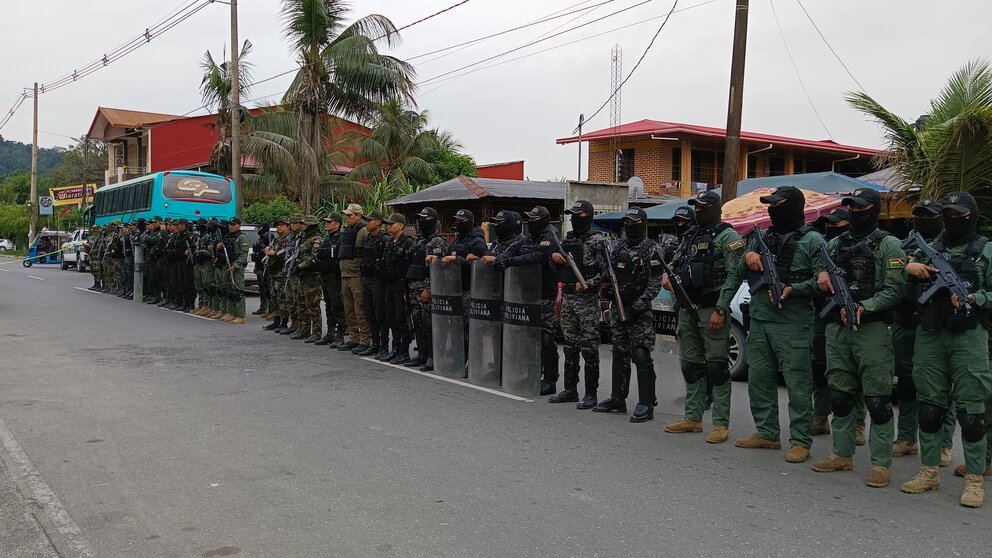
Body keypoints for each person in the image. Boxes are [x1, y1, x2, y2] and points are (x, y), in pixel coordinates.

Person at [900, 192, 992, 507]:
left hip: (968, 337)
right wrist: (909, 270)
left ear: (972, 215)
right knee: (929, 408)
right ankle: (928, 472)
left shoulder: (986, 250)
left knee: (970, 414)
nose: (953, 219)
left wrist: (975, 299)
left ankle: (975, 480)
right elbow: (901, 283)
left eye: (960, 214)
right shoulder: (930, 249)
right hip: (930, 334)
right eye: (948, 214)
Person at [811, 187, 906, 489]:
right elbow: (821, 271)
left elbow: (895, 290)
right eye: (851, 206)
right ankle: (841, 454)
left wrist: (867, 306)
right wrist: (822, 276)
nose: (854, 212)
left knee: (877, 400)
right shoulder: (836, 243)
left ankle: (880, 464)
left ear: (873, 210)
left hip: (871, 330)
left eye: (861, 207)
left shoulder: (889, 245)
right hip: (838, 329)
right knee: (840, 395)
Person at [734, 186, 824, 463]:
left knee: (798, 383)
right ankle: (767, 432)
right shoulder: (763, 237)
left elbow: (824, 282)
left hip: (793, 322)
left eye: (778, 204)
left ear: (794, 206)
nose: (772, 209)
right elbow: (738, 271)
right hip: (760, 319)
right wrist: (748, 257)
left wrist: (795, 289)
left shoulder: (813, 240)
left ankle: (800, 440)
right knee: (760, 379)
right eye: (770, 205)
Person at [663, 191, 745, 442]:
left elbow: (735, 276)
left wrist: (721, 308)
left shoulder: (728, 237)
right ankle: (693, 418)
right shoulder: (690, 236)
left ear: (714, 208)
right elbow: (675, 264)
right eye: (695, 207)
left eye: (702, 207)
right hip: (688, 308)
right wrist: (667, 277)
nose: (697, 211)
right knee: (691, 365)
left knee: (716, 367)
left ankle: (720, 424)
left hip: (712, 309)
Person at [891, 200, 957, 466]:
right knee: (906, 383)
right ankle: (907, 438)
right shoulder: (902, 245)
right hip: (905, 321)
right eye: (919, 214)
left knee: (941, 387)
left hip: (936, 324)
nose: (923, 219)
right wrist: (906, 269)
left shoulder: (950, 245)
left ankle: (943, 444)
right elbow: (893, 281)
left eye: (929, 215)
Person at [592, 207, 663, 422]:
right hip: (617, 308)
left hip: (638, 312)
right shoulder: (618, 247)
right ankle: (617, 398)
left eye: (633, 222)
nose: (629, 226)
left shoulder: (652, 249)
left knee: (640, 354)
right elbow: (609, 274)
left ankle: (646, 403)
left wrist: (637, 306)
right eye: (626, 222)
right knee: (619, 353)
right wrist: (604, 288)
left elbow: (654, 283)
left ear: (642, 223)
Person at [493, 206, 558, 394]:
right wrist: (503, 259)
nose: (531, 222)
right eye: (529, 218)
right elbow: (509, 252)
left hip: (544, 295)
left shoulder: (550, 236)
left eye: (534, 218)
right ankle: (531, 373)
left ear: (544, 220)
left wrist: (511, 262)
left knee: (545, 337)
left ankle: (550, 380)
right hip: (525, 295)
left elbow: (539, 256)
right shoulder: (527, 238)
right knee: (529, 338)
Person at [548, 200, 606, 409]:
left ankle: (591, 394)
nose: (573, 219)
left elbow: (607, 271)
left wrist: (588, 285)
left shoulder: (598, 240)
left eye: (578, 215)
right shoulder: (568, 240)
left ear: (588, 216)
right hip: (569, 299)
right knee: (570, 347)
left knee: (589, 348)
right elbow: (556, 267)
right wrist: (554, 257)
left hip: (587, 300)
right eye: (571, 215)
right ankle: (570, 389)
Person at [406, 208, 448, 371]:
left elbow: (438, 269)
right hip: (414, 286)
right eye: (420, 218)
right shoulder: (419, 239)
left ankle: (432, 356)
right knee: (418, 323)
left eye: (425, 218)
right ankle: (422, 354)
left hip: (426, 288)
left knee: (429, 323)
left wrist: (429, 289)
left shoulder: (437, 241)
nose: (421, 221)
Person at [380, 213, 416, 363]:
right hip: (389, 284)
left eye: (391, 224)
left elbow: (410, 265)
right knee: (391, 318)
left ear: (401, 225)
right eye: (387, 224)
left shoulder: (408, 243)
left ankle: (404, 351)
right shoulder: (389, 242)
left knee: (402, 318)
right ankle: (394, 349)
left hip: (401, 285)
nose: (388, 227)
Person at [339, 204, 371, 353]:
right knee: (349, 309)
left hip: (357, 275)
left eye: (350, 215)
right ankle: (354, 338)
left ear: (359, 215)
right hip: (345, 274)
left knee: (360, 309)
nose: (347, 218)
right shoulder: (347, 230)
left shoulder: (364, 230)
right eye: (347, 215)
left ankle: (365, 340)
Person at [290, 215, 325, 343]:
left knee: (312, 305)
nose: (302, 226)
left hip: (312, 276)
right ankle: (303, 329)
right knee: (301, 304)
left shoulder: (316, 238)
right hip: (303, 275)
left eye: (305, 224)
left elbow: (314, 257)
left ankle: (316, 332)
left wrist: (300, 267)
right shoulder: (303, 238)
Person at [359, 210, 389, 357]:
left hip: (378, 281)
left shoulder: (384, 238)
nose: (366, 222)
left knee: (380, 314)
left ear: (378, 222)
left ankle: (384, 346)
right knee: (369, 313)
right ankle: (375, 343)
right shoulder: (368, 238)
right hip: (367, 279)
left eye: (369, 220)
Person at [315, 213, 347, 347]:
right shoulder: (327, 238)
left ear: (337, 224)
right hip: (326, 275)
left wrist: (324, 253)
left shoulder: (340, 238)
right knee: (328, 306)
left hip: (335, 276)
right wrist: (324, 253)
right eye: (326, 222)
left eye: (330, 222)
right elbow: (319, 254)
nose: (326, 224)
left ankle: (340, 334)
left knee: (337, 306)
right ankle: (330, 333)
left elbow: (333, 254)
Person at [217, 217, 249, 324]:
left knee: (238, 290)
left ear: (239, 225)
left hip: (236, 266)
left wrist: (236, 265)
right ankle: (231, 313)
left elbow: (244, 255)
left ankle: (240, 315)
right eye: (230, 224)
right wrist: (219, 247)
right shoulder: (227, 237)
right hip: (227, 264)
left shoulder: (242, 238)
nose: (231, 226)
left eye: (233, 224)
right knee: (228, 290)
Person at [263, 218, 292, 332]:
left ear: (287, 226)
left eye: (282, 225)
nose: (279, 227)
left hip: (283, 271)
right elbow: (271, 249)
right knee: (273, 297)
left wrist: (275, 253)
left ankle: (284, 322)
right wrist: (267, 249)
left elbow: (287, 251)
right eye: (278, 225)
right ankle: (276, 320)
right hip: (274, 271)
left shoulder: (289, 239)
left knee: (282, 298)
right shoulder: (276, 240)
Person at [281, 215, 305, 335]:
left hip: (296, 271)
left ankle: (300, 326)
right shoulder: (290, 237)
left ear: (301, 224)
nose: (292, 225)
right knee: (290, 300)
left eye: (294, 223)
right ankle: (294, 324)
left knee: (297, 300)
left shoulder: (302, 236)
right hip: (288, 269)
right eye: (291, 223)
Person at [252, 224, 274, 318]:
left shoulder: (268, 236)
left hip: (266, 267)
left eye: (258, 227)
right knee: (262, 289)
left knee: (268, 289)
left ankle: (271, 309)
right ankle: (263, 307)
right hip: (260, 266)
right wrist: (256, 266)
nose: (256, 229)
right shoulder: (260, 238)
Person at [87, 225, 103, 291]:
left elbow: (100, 247)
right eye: (93, 230)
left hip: (97, 256)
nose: (94, 231)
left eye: (95, 230)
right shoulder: (91, 238)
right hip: (92, 256)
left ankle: (98, 284)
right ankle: (95, 283)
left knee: (97, 270)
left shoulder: (100, 238)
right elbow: (90, 244)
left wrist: (95, 250)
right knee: (93, 270)